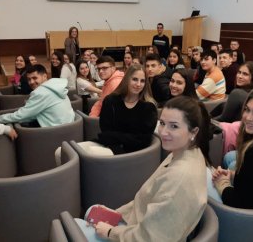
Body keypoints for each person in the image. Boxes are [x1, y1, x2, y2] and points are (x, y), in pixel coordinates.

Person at [82, 96, 209, 241]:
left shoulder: (180, 177)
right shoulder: (184, 152)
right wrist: (118, 215)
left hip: (139, 234)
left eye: (174, 126)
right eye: (162, 123)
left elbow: (151, 238)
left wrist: (111, 232)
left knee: (74, 227)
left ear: (194, 132)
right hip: (138, 225)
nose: (163, 132)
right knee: (91, 212)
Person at [97, 65, 157, 154]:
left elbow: (143, 141)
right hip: (109, 147)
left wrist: (113, 136)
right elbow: (105, 131)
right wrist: (127, 138)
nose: (138, 84)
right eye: (135, 79)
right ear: (127, 80)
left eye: (142, 81)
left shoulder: (149, 107)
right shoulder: (110, 101)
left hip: (135, 154)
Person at [0, 64, 75, 127]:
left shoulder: (40, 92)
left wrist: (1, 118)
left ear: (45, 76)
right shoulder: (56, 86)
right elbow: (32, 114)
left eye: (35, 78)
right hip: (70, 129)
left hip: (53, 134)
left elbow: (21, 115)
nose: (31, 82)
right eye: (29, 79)